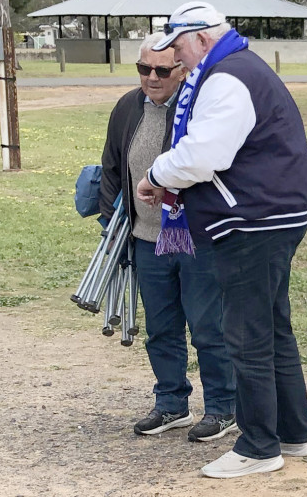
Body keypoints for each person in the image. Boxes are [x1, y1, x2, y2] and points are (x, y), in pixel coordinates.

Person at [135, 2, 307, 480]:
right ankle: (295, 433)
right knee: (274, 326)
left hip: (251, 219)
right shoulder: (240, 66)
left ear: (200, 39)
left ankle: (259, 445)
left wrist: (158, 172)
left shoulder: (225, 78)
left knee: (247, 333)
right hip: (273, 213)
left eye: (177, 44)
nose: (175, 56)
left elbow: (205, 155)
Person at [99, 33, 236, 442]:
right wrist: (111, 220)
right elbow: (110, 165)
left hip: (194, 239)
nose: (152, 78)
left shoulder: (198, 108)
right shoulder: (127, 107)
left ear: (181, 69)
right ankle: (171, 403)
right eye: (144, 69)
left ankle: (223, 408)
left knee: (208, 326)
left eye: (162, 70)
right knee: (161, 327)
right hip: (145, 238)